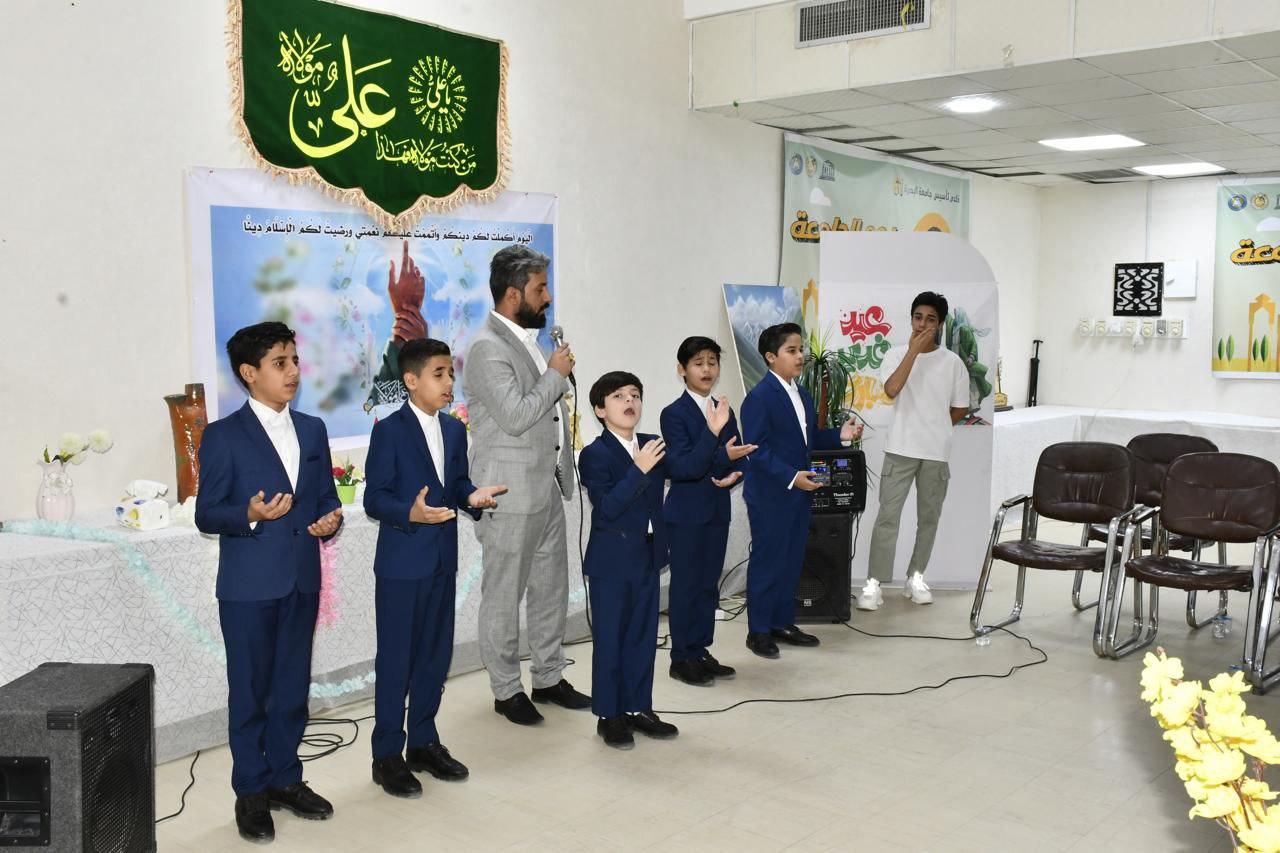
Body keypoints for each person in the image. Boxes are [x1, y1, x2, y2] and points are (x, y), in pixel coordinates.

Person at [195, 321, 344, 844]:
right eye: (280, 363)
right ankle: (251, 792)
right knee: (250, 694)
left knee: (291, 691)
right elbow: (207, 513)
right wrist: (250, 514)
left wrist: (330, 520)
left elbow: (325, 498)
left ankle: (285, 778)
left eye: (294, 360)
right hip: (248, 587)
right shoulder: (222, 435)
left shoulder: (313, 429)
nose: (293, 371)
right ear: (248, 372)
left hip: (302, 578)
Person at [363, 338, 508, 798]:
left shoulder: (453, 429)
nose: (449, 383)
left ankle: (423, 742)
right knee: (397, 661)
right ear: (411, 380)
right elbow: (374, 498)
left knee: (433, 656)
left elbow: (457, 482)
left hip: (443, 560)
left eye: (451, 374)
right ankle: (387, 754)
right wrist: (410, 512)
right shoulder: (389, 431)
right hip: (402, 565)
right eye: (439, 374)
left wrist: (471, 496)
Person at [463, 245, 590, 725]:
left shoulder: (529, 341)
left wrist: (553, 373)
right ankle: (506, 689)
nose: (548, 297)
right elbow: (516, 416)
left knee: (551, 589)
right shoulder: (486, 348)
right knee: (503, 594)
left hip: (545, 488)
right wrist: (555, 375)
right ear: (514, 294)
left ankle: (549, 677)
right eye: (540, 288)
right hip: (507, 493)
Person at [579, 371, 728, 747]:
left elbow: (689, 469)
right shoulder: (594, 454)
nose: (629, 402)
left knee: (643, 639)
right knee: (611, 640)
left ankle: (637, 708)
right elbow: (607, 508)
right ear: (600, 409)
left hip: (648, 556)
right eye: (618, 396)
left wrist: (711, 433)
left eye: (635, 395)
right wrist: (638, 469)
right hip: (612, 563)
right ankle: (609, 716)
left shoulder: (651, 444)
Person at [740, 323, 860, 659]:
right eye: (791, 350)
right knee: (768, 563)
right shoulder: (759, 397)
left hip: (798, 493)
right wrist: (792, 477)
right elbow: (756, 450)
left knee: (791, 561)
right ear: (770, 357)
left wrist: (840, 436)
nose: (800, 356)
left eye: (801, 350)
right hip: (771, 495)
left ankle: (782, 623)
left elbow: (808, 440)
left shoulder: (802, 394)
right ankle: (758, 631)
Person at [858, 292, 969, 611]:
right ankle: (874, 583)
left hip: (936, 453)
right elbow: (892, 389)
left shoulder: (952, 363)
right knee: (887, 518)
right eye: (918, 317)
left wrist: (937, 428)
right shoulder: (895, 355)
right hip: (899, 449)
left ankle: (916, 577)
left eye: (930, 319)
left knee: (928, 519)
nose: (922, 324)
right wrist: (913, 352)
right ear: (911, 319)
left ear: (940, 324)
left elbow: (960, 408)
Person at [659, 336, 755, 686]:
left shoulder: (724, 409)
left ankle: (700, 650)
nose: (707, 369)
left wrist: (735, 473)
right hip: (686, 514)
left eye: (712, 362)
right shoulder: (674, 413)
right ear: (682, 369)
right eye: (698, 363)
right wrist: (720, 451)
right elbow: (684, 466)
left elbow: (740, 454)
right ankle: (681, 657)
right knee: (686, 587)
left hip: (716, 509)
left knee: (707, 587)